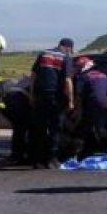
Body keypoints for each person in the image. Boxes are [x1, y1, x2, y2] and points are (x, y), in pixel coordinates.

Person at [28, 37, 75, 169]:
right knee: (55, 128)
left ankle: (37, 160)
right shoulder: (65, 58)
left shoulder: (43, 54)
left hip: (40, 96)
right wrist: (71, 100)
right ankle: (51, 159)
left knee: (40, 128)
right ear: (68, 48)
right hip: (56, 97)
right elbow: (67, 81)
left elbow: (33, 75)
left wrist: (31, 95)